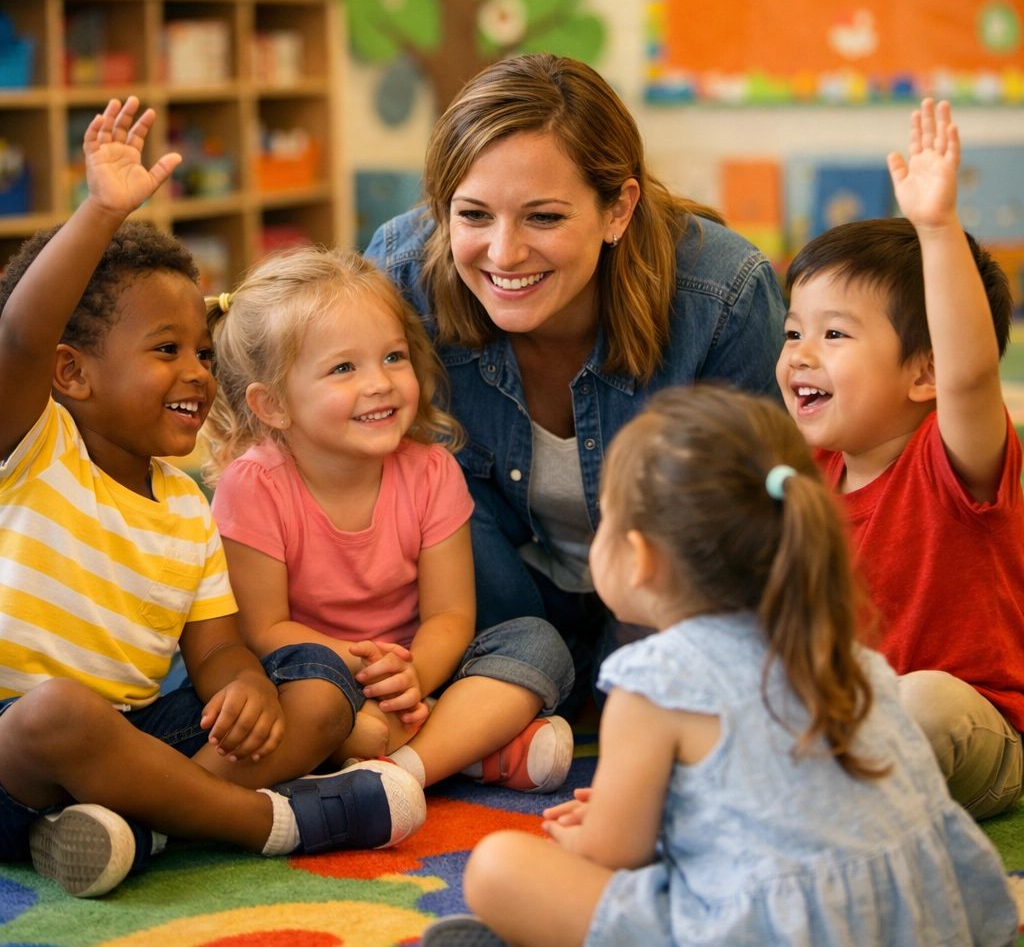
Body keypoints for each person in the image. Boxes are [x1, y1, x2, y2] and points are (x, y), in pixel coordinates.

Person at [0, 98, 426, 900]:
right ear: (72, 374)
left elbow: (219, 649)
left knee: (317, 675)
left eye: (202, 350)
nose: (198, 373)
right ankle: (262, 822)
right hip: (12, 753)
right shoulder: (33, 448)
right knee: (58, 714)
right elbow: (19, 335)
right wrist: (99, 210)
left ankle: (145, 822)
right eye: (167, 351)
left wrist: (244, 688)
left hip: (136, 740)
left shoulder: (188, 504)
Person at [421, 386, 1019, 947]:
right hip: (917, 919)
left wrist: (595, 829)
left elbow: (614, 853)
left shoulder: (653, 681)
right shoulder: (845, 654)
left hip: (765, 928)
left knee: (498, 866)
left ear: (641, 558)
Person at [364, 54, 786, 714]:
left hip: (663, 602)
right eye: (473, 215)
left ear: (618, 208)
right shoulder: (400, 273)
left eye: (544, 218)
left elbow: (757, 521)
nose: (503, 253)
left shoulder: (722, 296)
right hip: (487, 608)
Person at [205, 248, 575, 795]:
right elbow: (265, 630)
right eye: (343, 368)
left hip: (419, 671)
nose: (379, 382)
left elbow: (450, 614)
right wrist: (367, 673)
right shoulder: (253, 485)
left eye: (393, 357)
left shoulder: (432, 471)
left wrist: (414, 676)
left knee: (539, 645)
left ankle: (401, 771)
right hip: (316, 678)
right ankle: (465, 747)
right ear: (273, 405)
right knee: (301, 711)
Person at [777, 99, 1024, 820]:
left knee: (920, 704)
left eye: (835, 334)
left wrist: (938, 228)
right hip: (843, 730)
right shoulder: (805, 478)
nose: (801, 355)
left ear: (925, 374)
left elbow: (970, 373)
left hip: (976, 732)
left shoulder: (952, 460)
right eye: (794, 332)